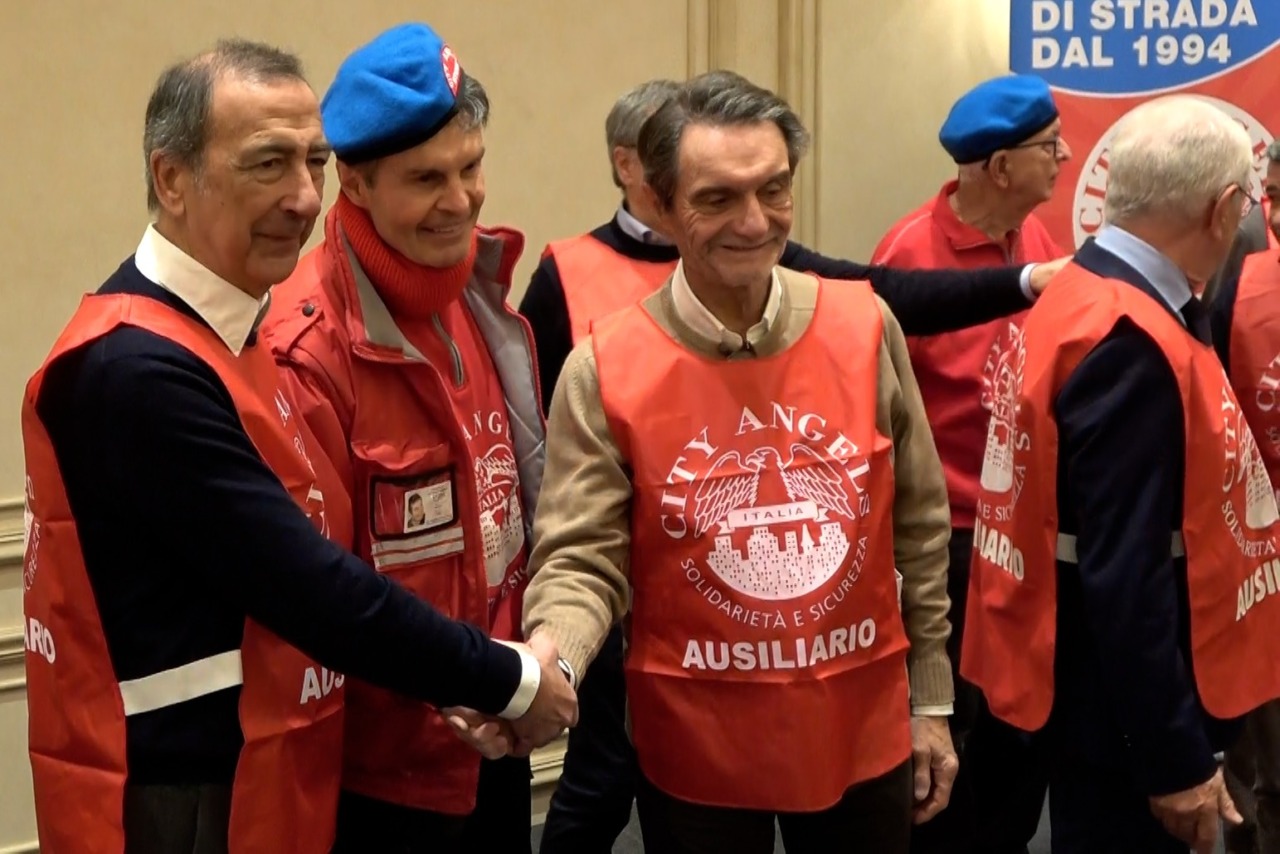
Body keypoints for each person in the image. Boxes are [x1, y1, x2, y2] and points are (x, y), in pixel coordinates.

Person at [21, 38, 575, 854]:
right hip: (181, 796)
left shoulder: (224, 330)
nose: (304, 197)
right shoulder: (133, 370)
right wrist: (512, 678)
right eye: (267, 164)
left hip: (266, 772)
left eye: (312, 162)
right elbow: (315, 588)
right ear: (171, 178)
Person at [521, 77, 1065, 853]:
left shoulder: (864, 326)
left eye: (773, 190)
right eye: (717, 199)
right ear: (662, 207)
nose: (754, 221)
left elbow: (918, 527)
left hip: (859, 728)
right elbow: (582, 557)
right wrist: (555, 655)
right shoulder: (605, 365)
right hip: (696, 743)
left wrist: (931, 703)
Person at [960, 95, 1280, 854]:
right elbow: (1125, 571)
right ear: (1223, 209)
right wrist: (1174, 759)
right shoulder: (1130, 340)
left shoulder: (1082, 289)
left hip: (1087, 686)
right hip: (1122, 717)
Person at [259, 22, 547, 854]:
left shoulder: (479, 295)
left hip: (500, 720)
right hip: (385, 777)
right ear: (354, 181)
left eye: (470, 167)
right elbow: (322, 596)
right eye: (426, 179)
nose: (460, 200)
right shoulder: (304, 351)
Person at [870, 73, 1066, 854]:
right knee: (953, 737)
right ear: (999, 167)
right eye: (1050, 147)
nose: (1064, 158)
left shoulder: (1038, 240)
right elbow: (875, 408)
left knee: (1022, 729)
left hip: (1021, 532)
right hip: (948, 542)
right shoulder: (910, 253)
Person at [1211, 138, 1280, 854]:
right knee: (1261, 758)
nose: (1276, 217)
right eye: (1274, 198)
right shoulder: (1243, 262)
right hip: (1260, 549)